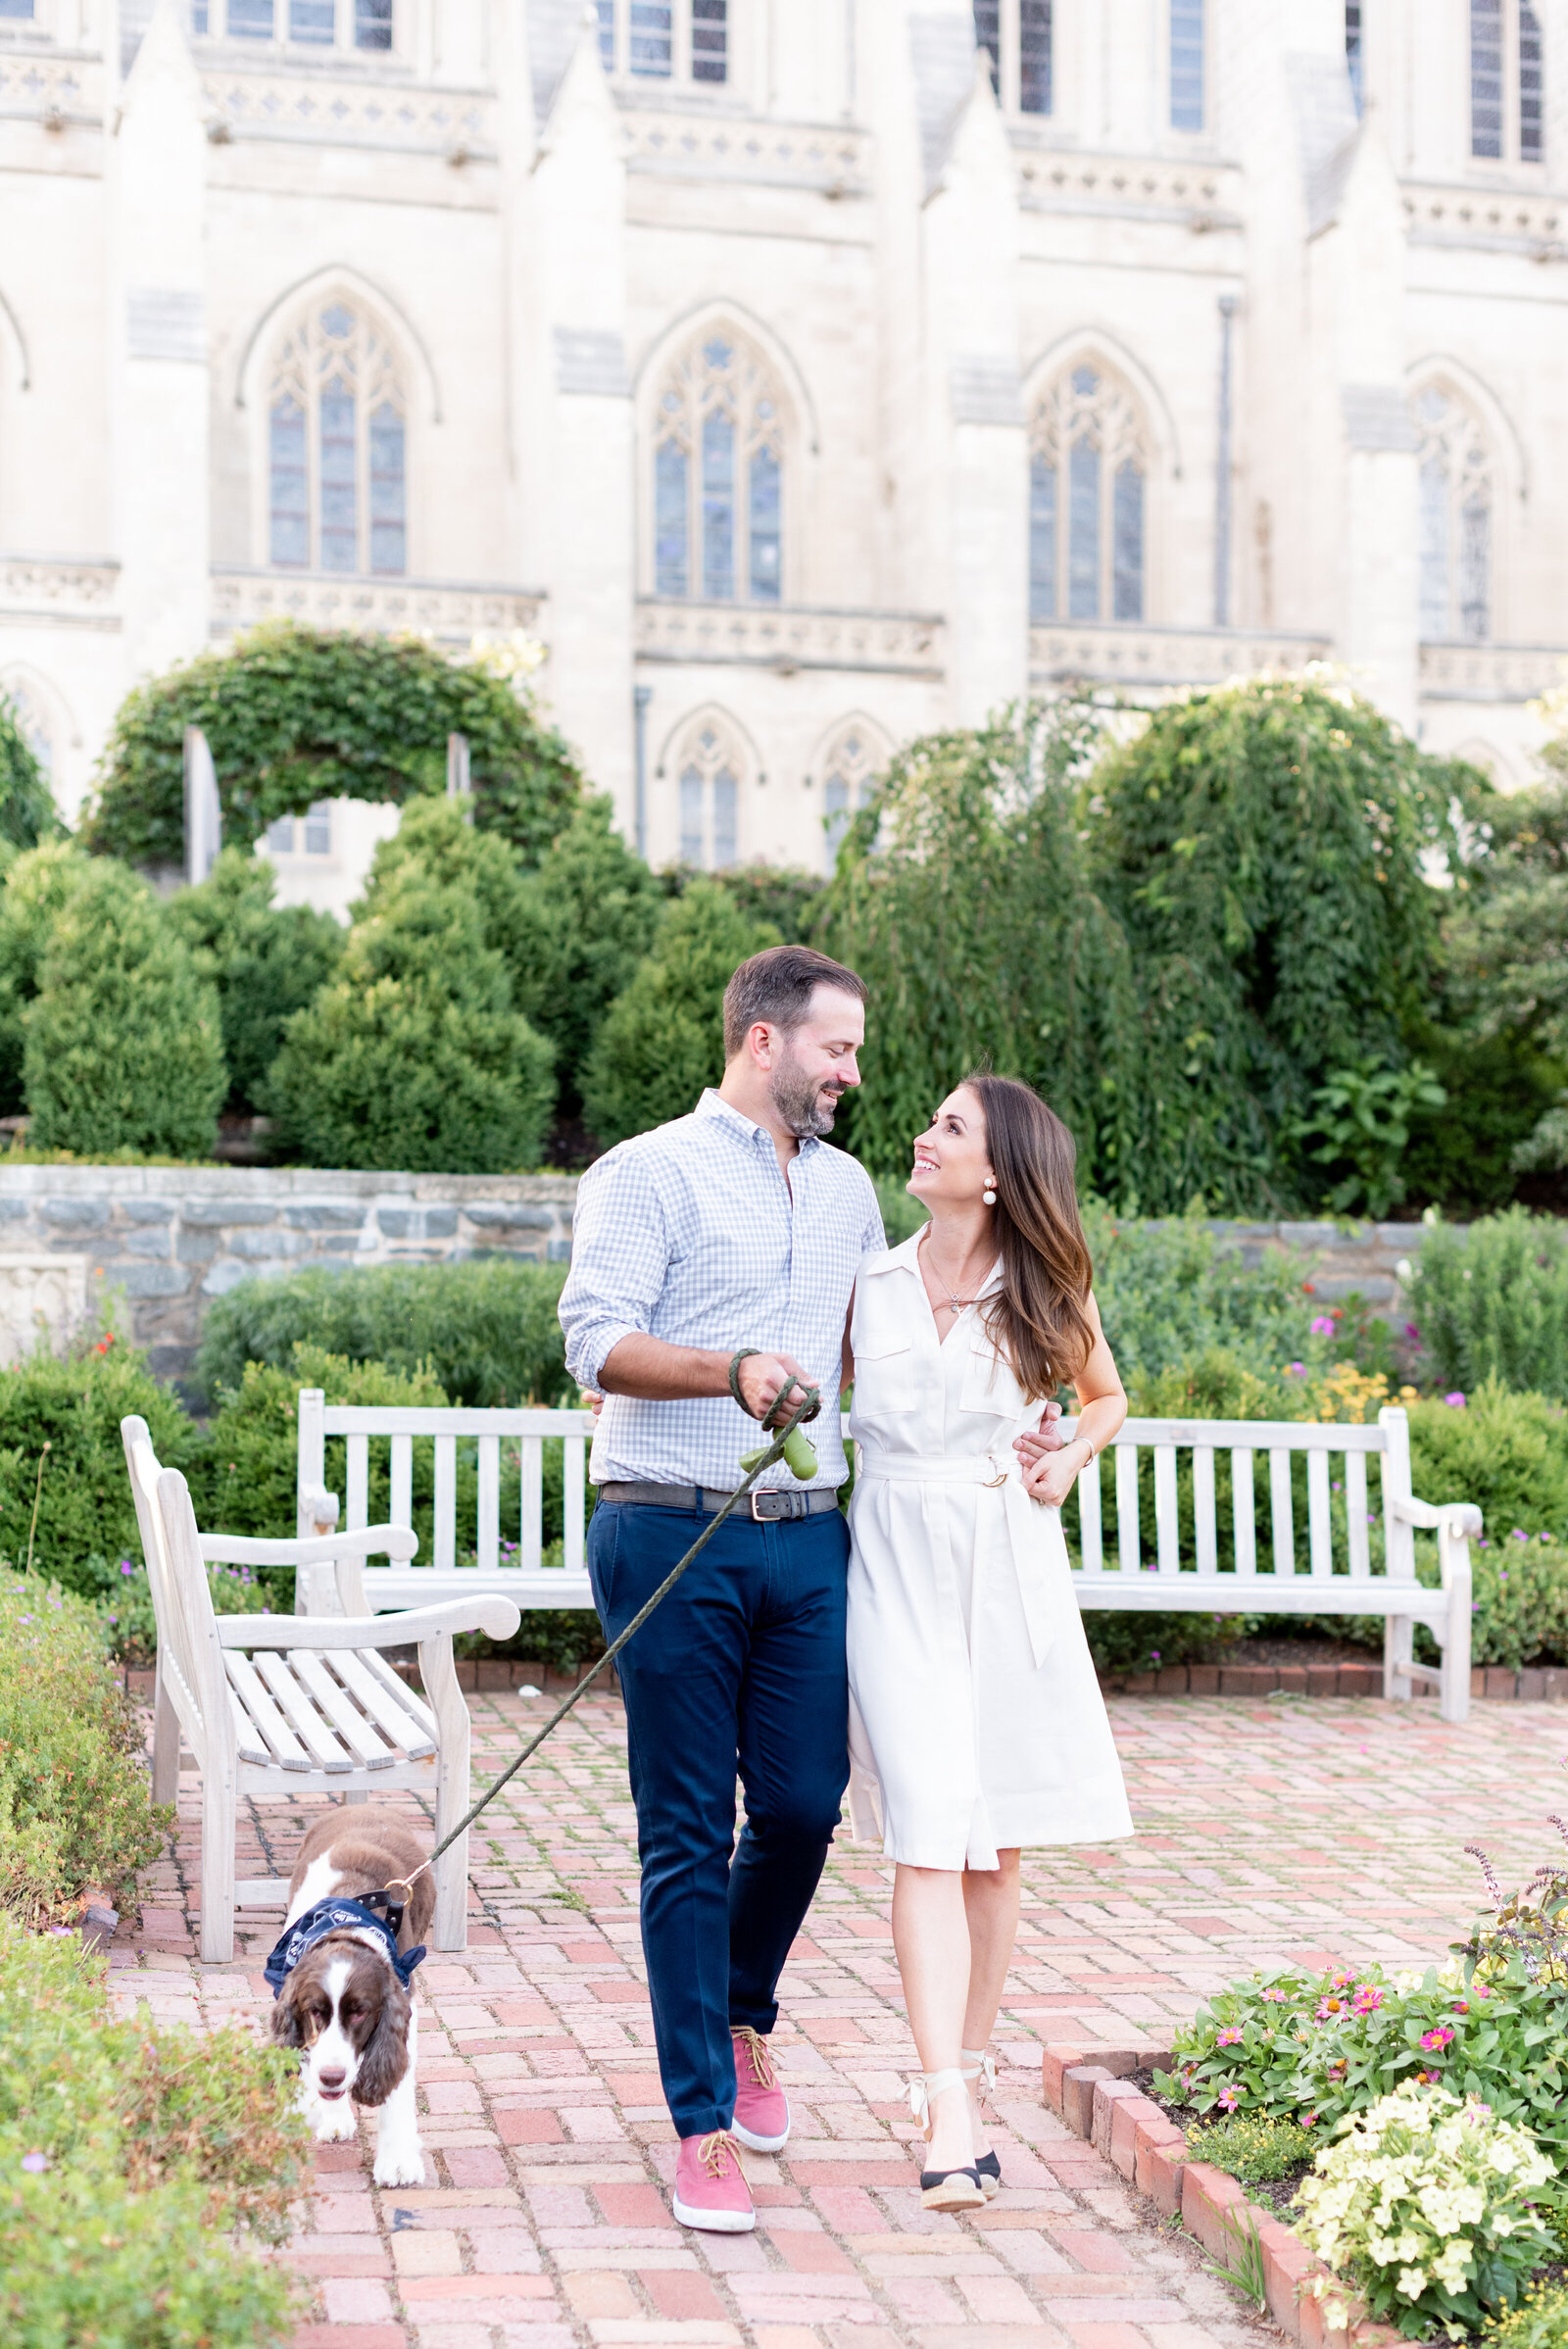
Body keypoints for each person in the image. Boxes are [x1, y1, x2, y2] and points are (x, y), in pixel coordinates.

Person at [558, 945, 886, 2235]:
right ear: (765, 1042)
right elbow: (596, 1339)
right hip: (669, 1531)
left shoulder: (855, 1192)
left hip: (808, 1536)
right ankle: (701, 2120)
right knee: (688, 1828)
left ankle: (746, 2007)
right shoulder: (646, 1172)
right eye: (836, 1049)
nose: (852, 1071)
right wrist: (732, 1370)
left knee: (805, 1805)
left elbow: (875, 1352)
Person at [844, 1072, 1134, 2211]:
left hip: (1007, 1572)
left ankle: (960, 2068)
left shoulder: (1048, 1288)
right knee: (926, 1829)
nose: (922, 1135)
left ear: (999, 1173)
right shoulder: (865, 1283)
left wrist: (1067, 1455)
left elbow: (1103, 1398)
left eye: (949, 1127)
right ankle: (947, 2107)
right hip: (894, 1569)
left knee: (994, 1842)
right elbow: (812, 1398)